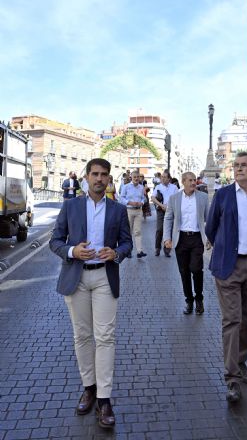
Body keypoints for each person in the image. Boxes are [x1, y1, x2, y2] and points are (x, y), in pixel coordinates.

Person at [49, 158, 132, 430]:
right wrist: (72, 251)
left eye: (104, 175)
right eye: (94, 174)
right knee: (82, 336)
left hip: (105, 276)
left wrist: (115, 253)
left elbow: (127, 243)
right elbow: (55, 241)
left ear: (109, 179)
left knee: (105, 337)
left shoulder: (118, 210)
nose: (99, 179)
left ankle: (104, 399)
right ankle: (89, 388)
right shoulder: (71, 206)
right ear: (86, 177)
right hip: (77, 277)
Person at [206, 151, 247, 403]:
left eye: (245, 165)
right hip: (229, 267)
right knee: (232, 320)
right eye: (236, 165)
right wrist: (225, 249)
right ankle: (232, 377)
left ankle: (241, 361)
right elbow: (210, 227)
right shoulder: (223, 195)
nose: (239, 168)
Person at [163, 172, 209, 314]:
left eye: (194, 180)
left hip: (197, 238)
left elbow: (209, 219)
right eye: (190, 180)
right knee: (184, 272)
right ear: (183, 182)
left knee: (196, 269)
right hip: (181, 239)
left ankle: (199, 299)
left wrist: (209, 238)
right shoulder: (174, 198)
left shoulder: (203, 197)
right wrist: (167, 238)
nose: (193, 183)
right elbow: (168, 218)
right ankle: (189, 301)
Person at [120, 170, 147, 258]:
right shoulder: (126, 187)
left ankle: (139, 251)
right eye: (134, 177)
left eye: (138, 177)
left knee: (138, 231)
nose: (136, 178)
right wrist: (130, 202)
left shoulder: (141, 187)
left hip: (138, 211)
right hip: (129, 210)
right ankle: (128, 251)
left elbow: (144, 198)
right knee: (129, 232)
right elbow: (121, 198)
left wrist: (141, 203)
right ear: (131, 177)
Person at [151, 171, 178, 256]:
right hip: (161, 210)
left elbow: (177, 198)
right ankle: (157, 248)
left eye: (165, 177)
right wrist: (161, 205)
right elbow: (153, 198)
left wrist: (170, 206)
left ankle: (167, 249)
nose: (162, 178)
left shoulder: (174, 187)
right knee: (159, 229)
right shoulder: (158, 187)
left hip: (171, 211)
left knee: (169, 229)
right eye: (162, 177)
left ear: (169, 179)